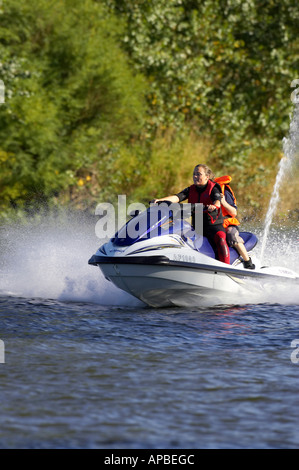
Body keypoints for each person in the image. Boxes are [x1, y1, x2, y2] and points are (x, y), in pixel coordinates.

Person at [153, 164, 230, 264]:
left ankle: (226, 268)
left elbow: (217, 201)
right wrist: (159, 200)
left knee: (220, 239)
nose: (195, 177)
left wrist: (214, 206)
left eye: (199, 174)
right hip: (198, 227)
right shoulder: (191, 189)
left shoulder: (214, 188)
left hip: (213, 226)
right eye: (194, 174)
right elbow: (177, 197)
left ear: (207, 177)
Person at [214, 175, 255, 269]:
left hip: (227, 224)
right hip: (212, 224)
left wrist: (223, 202)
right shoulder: (200, 192)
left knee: (232, 235)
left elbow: (234, 212)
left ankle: (248, 262)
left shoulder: (224, 191)